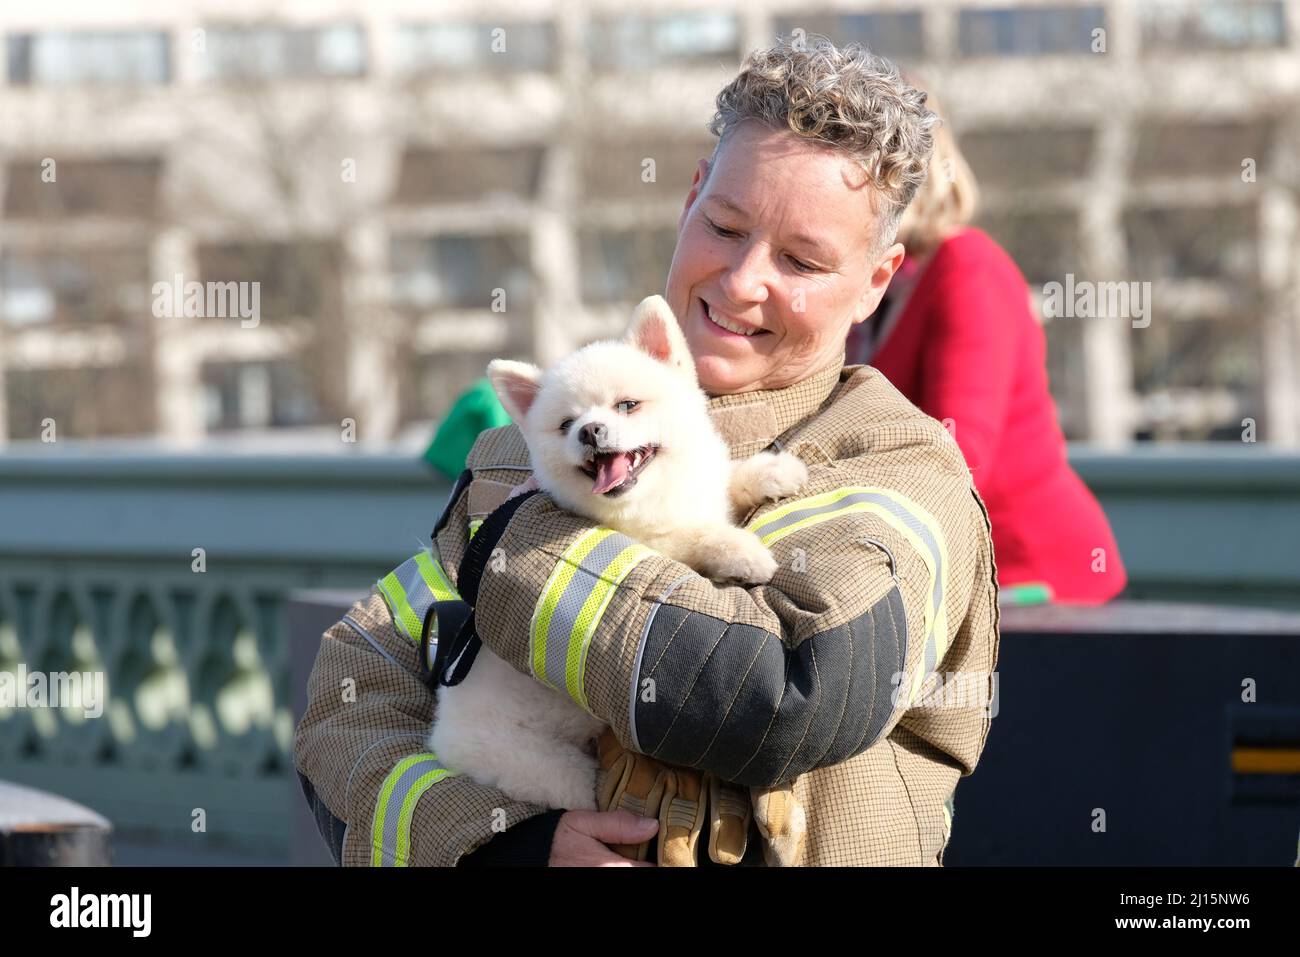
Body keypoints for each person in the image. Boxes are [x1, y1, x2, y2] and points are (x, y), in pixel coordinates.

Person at [294, 36, 1000, 867]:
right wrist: (506, 843)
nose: (742, 281)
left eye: (802, 259)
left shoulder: (904, 466)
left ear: (877, 280)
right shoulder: (520, 456)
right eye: (727, 226)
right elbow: (350, 696)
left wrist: (523, 540)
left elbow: (792, 692)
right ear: (690, 198)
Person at [847, 84, 1126, 605]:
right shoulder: (878, 287)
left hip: (1039, 585)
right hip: (950, 582)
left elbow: (961, 458)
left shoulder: (968, 269)